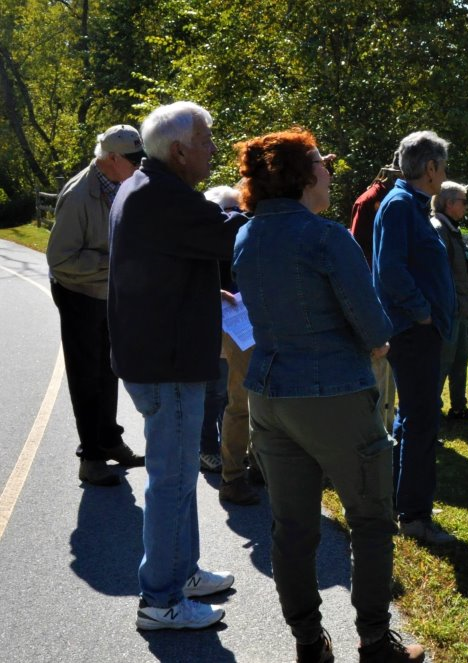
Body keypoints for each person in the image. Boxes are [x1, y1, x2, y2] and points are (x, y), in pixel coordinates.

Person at [232, 128, 424, 663]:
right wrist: (380, 337)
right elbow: (374, 326)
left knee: (291, 527)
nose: (330, 172)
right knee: (369, 518)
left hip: (269, 399)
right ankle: (375, 643)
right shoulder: (326, 237)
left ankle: (309, 643)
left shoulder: (247, 235)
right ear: (300, 176)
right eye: (322, 164)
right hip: (333, 397)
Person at [108, 102, 244, 630]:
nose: (213, 148)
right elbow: (231, 231)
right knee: (171, 480)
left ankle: (180, 573)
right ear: (180, 149)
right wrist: (276, 194)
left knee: (180, 478)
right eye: (207, 140)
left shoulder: (148, 188)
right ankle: (161, 601)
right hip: (167, 362)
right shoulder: (164, 195)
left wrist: (207, 289)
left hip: (157, 354)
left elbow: (157, 265)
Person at [46, 124, 146, 486]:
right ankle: (91, 458)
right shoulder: (79, 195)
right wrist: (114, 262)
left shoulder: (124, 182)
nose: (140, 165)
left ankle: (110, 440)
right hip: (78, 294)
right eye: (133, 159)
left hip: (108, 293)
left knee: (109, 370)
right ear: (112, 158)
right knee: (86, 376)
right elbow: (58, 259)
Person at [372, 131, 456, 545]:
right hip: (412, 333)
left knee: (413, 419)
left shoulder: (413, 204)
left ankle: (405, 502)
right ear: (430, 168)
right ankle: (416, 518)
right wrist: (422, 312)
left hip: (420, 332)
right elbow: (389, 270)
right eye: (442, 166)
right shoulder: (402, 205)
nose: (444, 174)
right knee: (423, 422)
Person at [203, 184, 260, 506]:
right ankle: (234, 474)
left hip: (250, 321)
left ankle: (253, 466)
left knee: (244, 401)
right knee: (237, 401)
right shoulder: (229, 228)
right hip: (237, 324)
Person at [351, 160, 402, 432]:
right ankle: (375, 425)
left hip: (391, 292)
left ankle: (389, 420)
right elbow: (358, 249)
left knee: (390, 366)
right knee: (377, 363)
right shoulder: (370, 200)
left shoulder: (401, 199)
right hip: (372, 291)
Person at [431, 181, 468, 420]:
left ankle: (459, 407)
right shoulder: (438, 228)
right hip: (447, 308)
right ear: (449, 203)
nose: (466, 206)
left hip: (458, 307)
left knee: (460, 359)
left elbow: (467, 254)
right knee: (442, 363)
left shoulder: (452, 227)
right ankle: (431, 413)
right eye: (463, 201)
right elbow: (438, 271)